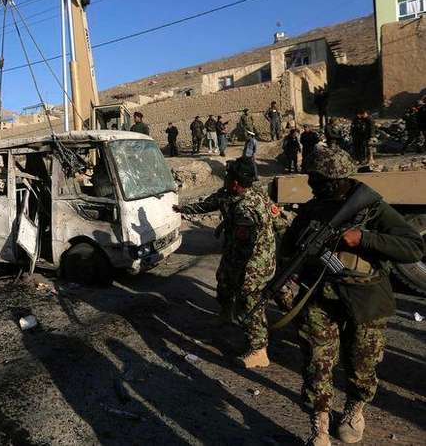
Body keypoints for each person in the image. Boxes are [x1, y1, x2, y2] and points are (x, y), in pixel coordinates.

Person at [280, 146, 423, 445]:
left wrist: (363, 239)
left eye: (317, 180)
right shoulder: (313, 207)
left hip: (364, 297)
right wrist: (287, 274)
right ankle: (319, 423)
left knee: (362, 362)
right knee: (316, 361)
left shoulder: (372, 207)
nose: (311, 185)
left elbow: (413, 247)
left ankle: (354, 408)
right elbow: (290, 246)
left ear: (337, 180)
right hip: (318, 295)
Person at [173, 157, 277, 368]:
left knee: (250, 301)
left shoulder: (248, 206)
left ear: (236, 182)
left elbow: (251, 242)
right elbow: (208, 204)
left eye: (228, 176)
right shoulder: (229, 195)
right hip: (235, 253)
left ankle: (259, 350)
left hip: (254, 261)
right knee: (224, 280)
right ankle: (225, 314)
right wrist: (180, 208)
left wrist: (245, 272)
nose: (225, 179)